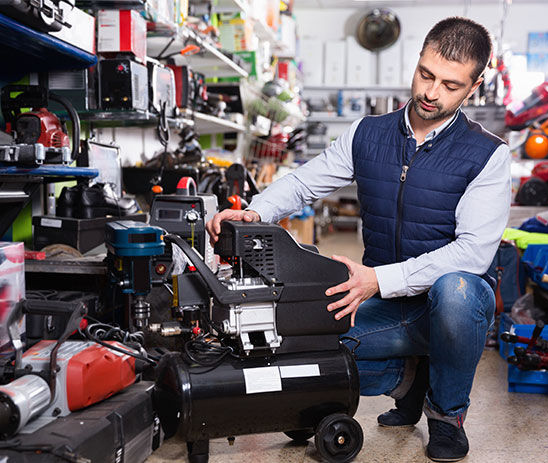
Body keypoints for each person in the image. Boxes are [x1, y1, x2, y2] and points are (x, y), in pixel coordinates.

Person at [206, 17, 510, 463]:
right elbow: (306, 181)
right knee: (302, 355)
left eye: (449, 84)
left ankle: (446, 416)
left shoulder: (488, 155)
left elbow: (473, 252)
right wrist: (256, 210)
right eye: (425, 74)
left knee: (459, 290)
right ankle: (409, 380)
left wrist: (379, 280)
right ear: (418, 60)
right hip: (384, 303)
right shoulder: (369, 134)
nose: (431, 92)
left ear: (474, 85)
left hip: (447, 307)